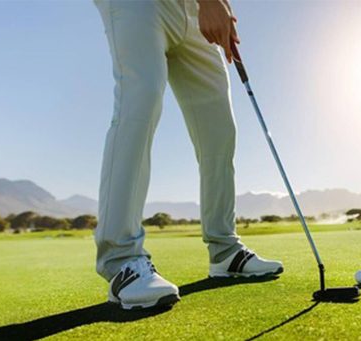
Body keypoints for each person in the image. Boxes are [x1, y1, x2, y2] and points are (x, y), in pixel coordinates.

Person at [92, 0, 283, 310]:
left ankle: (225, 251)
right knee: (140, 104)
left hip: (191, 10)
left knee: (218, 127)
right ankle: (121, 261)